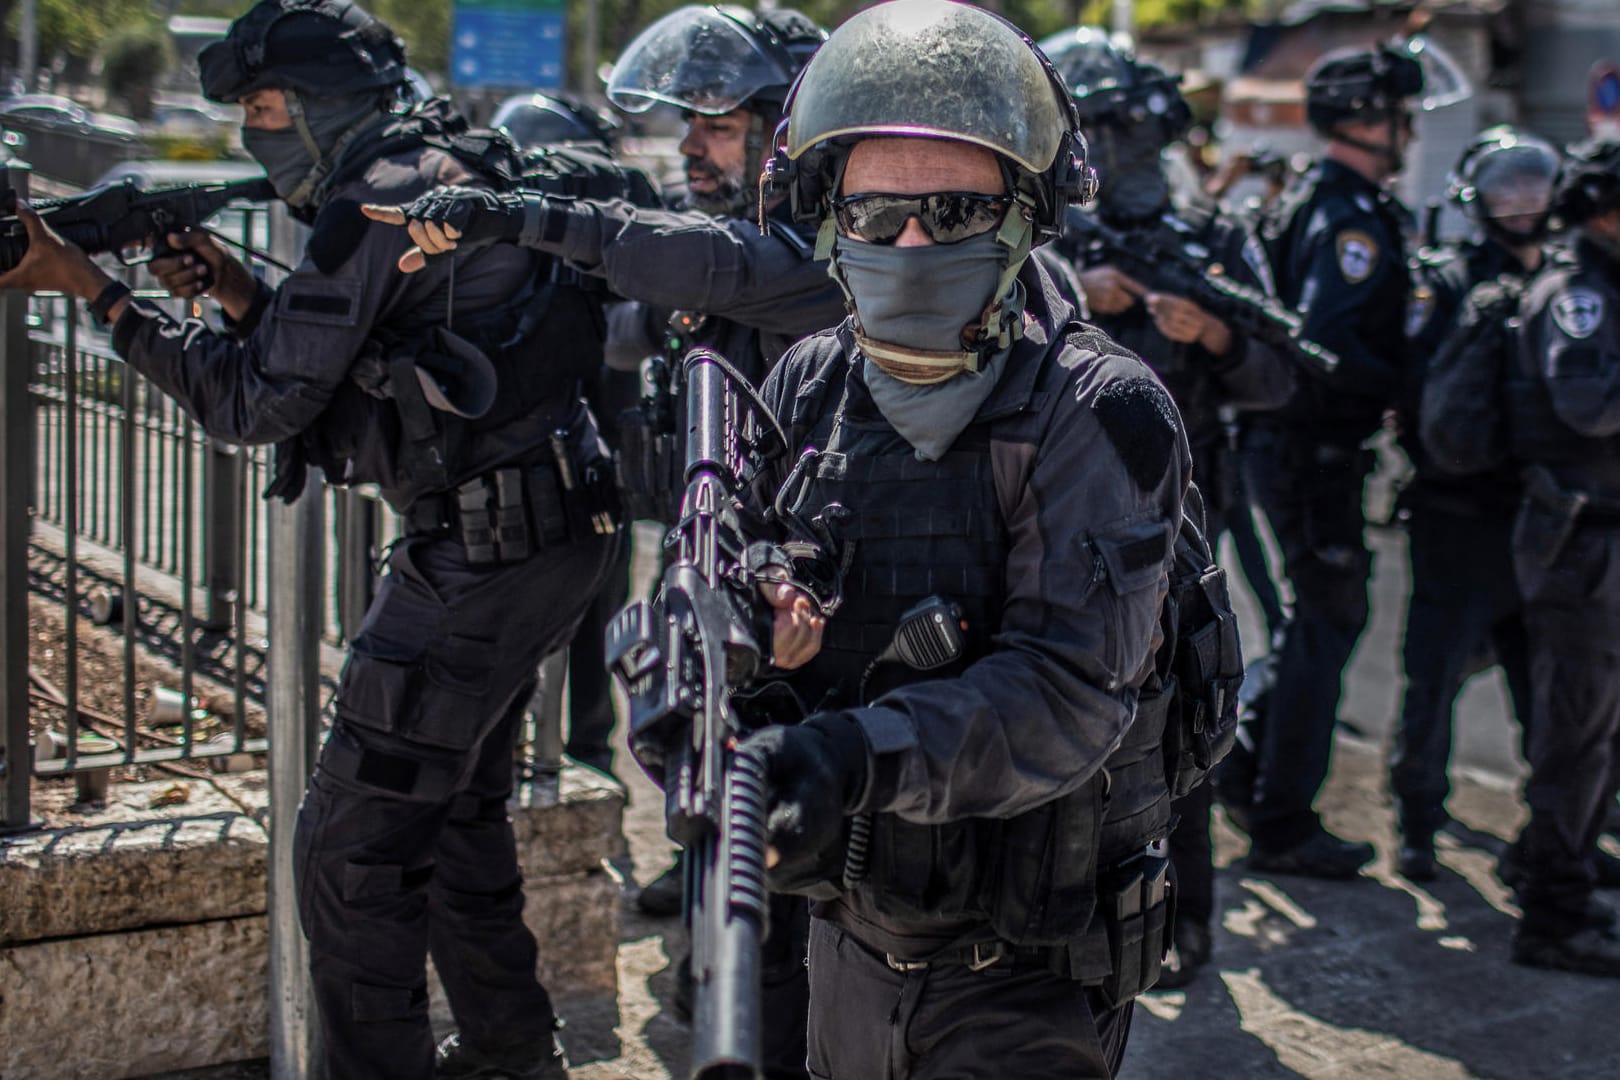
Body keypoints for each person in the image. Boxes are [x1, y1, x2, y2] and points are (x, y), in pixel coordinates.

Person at [0, 3, 625, 1076]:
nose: (252, 134)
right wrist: (239, 290)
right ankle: (514, 1057)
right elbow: (365, 350)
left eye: (263, 108)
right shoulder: (437, 165)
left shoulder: (375, 204)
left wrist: (91, 291)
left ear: (325, 105)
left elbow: (255, 406)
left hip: (479, 562)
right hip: (553, 536)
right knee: (461, 816)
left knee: (351, 853)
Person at [362, 8, 845, 1072]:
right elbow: (626, 321)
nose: (692, 149)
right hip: (714, 577)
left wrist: (525, 217)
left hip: (812, 608)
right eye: (687, 127)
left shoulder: (826, 254)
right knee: (714, 819)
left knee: (798, 859)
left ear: (787, 129)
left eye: (717, 125)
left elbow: (698, 266)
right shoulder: (712, 247)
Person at [716, 3, 1189, 1074]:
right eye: (878, 217)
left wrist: (848, 752)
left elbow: (1070, 694)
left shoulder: (1100, 408)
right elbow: (755, 560)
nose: (914, 243)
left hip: (1016, 964)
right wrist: (747, 636)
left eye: (956, 209)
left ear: (1025, 216)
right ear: (829, 219)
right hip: (849, 933)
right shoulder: (813, 376)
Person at [1041, 26, 1293, 987]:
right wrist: (1078, 296)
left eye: (1148, 132)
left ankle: (1186, 924)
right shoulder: (1052, 235)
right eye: (1112, 130)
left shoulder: (1216, 241)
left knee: (1186, 710)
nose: (1134, 151)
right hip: (1061, 515)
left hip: (1188, 521)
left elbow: (1274, 379)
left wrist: (1220, 336)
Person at [1238, 39, 1460, 878]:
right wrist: (1401, 382)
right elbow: (1323, 348)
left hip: (1304, 448)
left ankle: (1253, 778)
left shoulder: (1339, 203)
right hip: (1312, 451)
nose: (1408, 132)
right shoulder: (1349, 221)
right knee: (1325, 624)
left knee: (1313, 622)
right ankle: (1283, 821)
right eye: (1401, 117)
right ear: (1370, 120)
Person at [1391, 127, 1558, 881]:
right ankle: (1418, 821)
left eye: (1534, 183)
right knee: (1434, 679)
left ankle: (1557, 824)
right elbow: (1420, 402)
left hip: (1541, 519)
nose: (1521, 200)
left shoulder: (1568, 280)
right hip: (1457, 518)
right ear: (1476, 198)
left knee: (1550, 687)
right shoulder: (1449, 282)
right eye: (1505, 186)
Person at [1483, 135, 1620, 975]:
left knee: (1599, 730)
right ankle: (1554, 916)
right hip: (1581, 543)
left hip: (1595, 539)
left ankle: (1553, 857)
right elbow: (1586, 406)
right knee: (1576, 731)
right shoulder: (1580, 293)